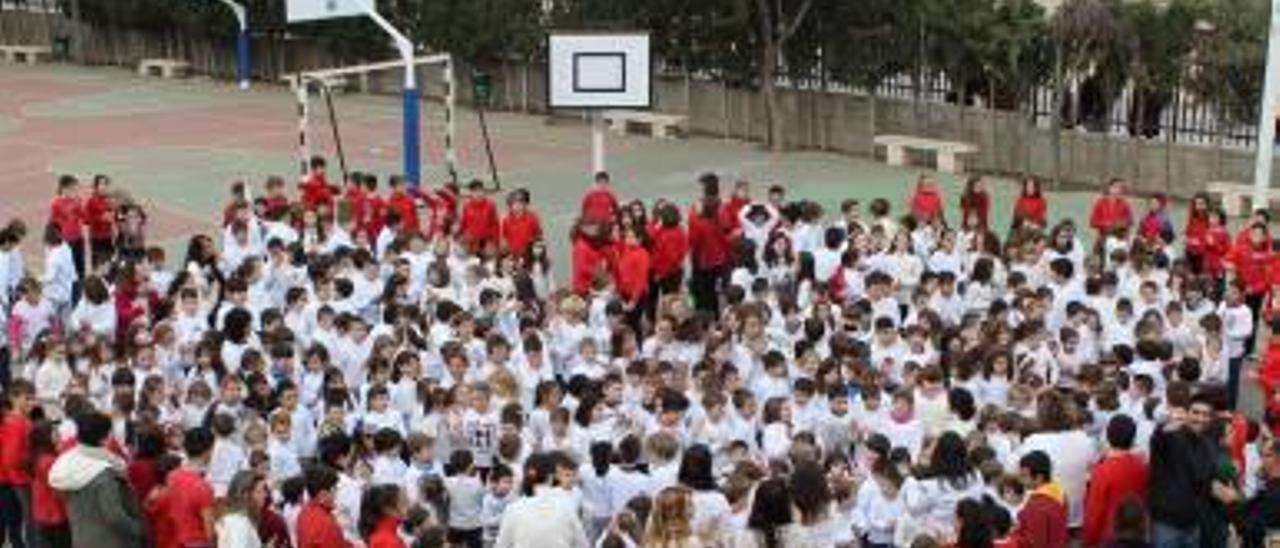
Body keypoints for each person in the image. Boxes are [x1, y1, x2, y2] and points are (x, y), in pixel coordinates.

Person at [47, 411, 146, 548]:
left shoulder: (65, 462)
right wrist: (138, 529)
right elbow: (114, 516)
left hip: (81, 537)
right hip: (108, 540)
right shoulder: (104, 472)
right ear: (104, 439)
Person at [494, 453, 589, 548]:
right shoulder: (566, 506)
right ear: (551, 477)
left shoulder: (513, 509)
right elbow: (583, 545)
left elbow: (501, 545)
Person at [1083, 415, 1148, 548]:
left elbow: (1094, 513)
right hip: (1137, 535)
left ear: (1108, 436)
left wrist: (1088, 542)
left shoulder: (1102, 471)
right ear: (1133, 438)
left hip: (1110, 537)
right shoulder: (1142, 466)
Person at [168, 427, 217, 548]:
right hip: (197, 542)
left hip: (176, 538)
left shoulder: (172, 475)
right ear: (208, 451)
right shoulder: (202, 486)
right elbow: (209, 530)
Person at [1015, 451, 1067, 548]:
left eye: (1024, 476)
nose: (1020, 480)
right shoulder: (1059, 491)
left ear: (1039, 477)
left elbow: (1035, 542)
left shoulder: (1036, 505)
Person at [297, 466, 353, 548]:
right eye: (335, 489)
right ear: (323, 495)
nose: (337, 493)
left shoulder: (304, 512)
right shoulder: (326, 524)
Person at [1241, 438, 1280, 548]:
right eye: (1261, 455)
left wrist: (1234, 503)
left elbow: (1253, 528)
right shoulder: (1268, 486)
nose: (1261, 460)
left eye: (1266, 455)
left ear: (1277, 458)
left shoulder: (1274, 494)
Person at [215, 470, 265, 548]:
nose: (265, 495)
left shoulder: (235, 519)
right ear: (245, 495)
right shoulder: (239, 522)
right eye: (259, 492)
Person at [359, 484, 408, 548]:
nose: (408, 505)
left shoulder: (385, 533)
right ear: (387, 509)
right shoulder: (387, 540)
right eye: (404, 502)